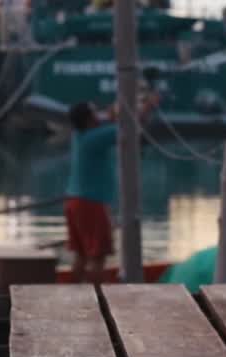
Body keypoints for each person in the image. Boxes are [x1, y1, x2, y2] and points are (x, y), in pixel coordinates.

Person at [64, 93, 158, 283]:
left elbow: (114, 124)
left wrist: (114, 113)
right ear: (89, 119)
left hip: (74, 201)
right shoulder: (95, 137)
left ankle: (71, 294)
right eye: (95, 113)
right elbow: (129, 126)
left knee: (81, 254)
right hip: (91, 203)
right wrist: (148, 106)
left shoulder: (79, 135)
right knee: (98, 256)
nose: (99, 115)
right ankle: (98, 298)